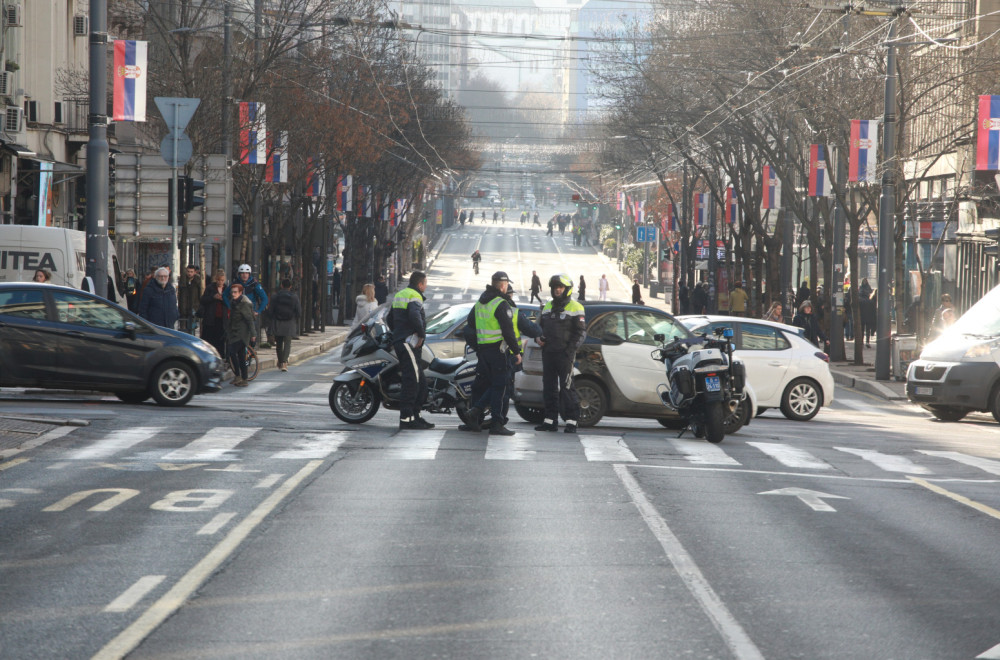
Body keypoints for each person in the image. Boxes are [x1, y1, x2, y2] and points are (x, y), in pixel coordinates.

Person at [464, 272, 526, 436]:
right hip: (498, 352)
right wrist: (517, 352)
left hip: (483, 351)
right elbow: (508, 331)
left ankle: (475, 411)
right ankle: (496, 424)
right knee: (501, 386)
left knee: (490, 384)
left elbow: (470, 323)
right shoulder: (501, 303)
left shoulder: (480, 302)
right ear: (503, 285)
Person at [535, 274, 586, 433]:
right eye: (555, 287)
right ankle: (550, 421)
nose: (557, 290)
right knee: (549, 388)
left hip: (565, 354)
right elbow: (539, 328)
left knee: (566, 387)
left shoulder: (576, 307)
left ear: (567, 290)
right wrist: (538, 338)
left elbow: (581, 333)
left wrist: (570, 350)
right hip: (548, 353)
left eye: (560, 287)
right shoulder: (547, 306)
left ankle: (572, 422)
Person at [389, 271, 432, 430]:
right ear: (420, 284)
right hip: (409, 343)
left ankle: (416, 415)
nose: (426, 286)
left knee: (420, 380)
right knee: (411, 380)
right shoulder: (415, 296)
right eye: (425, 283)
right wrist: (421, 335)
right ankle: (406, 419)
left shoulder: (401, 294)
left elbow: (389, 318)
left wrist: (397, 333)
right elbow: (415, 316)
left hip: (402, 341)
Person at [225, 282, 255, 387]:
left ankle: (239, 376)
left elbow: (249, 319)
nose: (233, 294)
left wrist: (253, 334)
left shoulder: (244, 304)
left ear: (240, 292)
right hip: (234, 332)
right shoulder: (234, 302)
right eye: (232, 292)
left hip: (242, 334)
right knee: (241, 357)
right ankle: (243, 378)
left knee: (232, 352)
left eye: (235, 292)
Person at [270, 278, 302, 372]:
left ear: (281, 285)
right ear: (290, 286)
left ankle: (280, 362)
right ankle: (284, 363)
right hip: (289, 323)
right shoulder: (294, 297)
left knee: (279, 344)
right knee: (287, 343)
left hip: (278, 322)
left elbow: (271, 310)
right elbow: (299, 312)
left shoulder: (275, 296)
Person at [200, 269, 229, 357]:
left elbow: (230, 302)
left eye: (222, 280)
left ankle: (220, 357)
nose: (220, 282)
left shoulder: (227, 289)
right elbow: (203, 300)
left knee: (220, 341)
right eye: (218, 280)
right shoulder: (210, 288)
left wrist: (223, 299)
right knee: (209, 340)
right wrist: (213, 297)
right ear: (216, 279)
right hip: (211, 319)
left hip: (222, 319)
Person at [178, 264, 203, 334]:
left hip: (193, 308)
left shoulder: (198, 281)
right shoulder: (182, 280)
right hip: (183, 308)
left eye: (191, 272)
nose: (189, 273)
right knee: (183, 331)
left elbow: (200, 295)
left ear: (195, 272)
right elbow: (180, 294)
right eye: (188, 271)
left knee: (192, 330)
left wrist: (197, 307)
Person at [859, 278, 876, 347]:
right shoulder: (871, 300)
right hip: (869, 317)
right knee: (868, 330)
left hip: (862, 316)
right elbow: (873, 310)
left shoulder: (860, 300)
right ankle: (867, 342)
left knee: (861, 330)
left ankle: (861, 341)